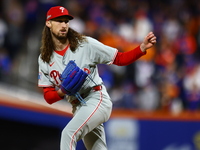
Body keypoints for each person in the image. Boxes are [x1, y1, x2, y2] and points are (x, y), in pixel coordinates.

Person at [38, 6, 156, 150]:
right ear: (48, 23)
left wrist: (142, 48)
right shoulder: (45, 58)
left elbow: (119, 59)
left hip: (96, 98)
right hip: (78, 106)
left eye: (66, 21)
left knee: (68, 134)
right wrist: (62, 91)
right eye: (59, 21)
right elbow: (48, 96)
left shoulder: (85, 44)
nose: (64, 25)